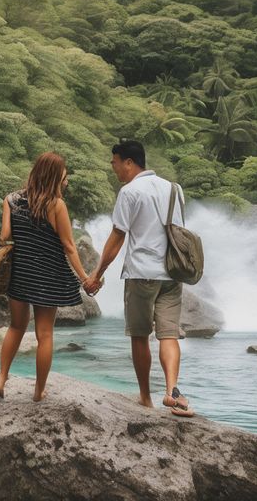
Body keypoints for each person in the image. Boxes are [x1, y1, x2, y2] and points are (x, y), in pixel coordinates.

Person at [84, 140, 195, 417]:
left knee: (140, 336)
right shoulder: (174, 189)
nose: (114, 169)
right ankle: (172, 391)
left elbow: (118, 236)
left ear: (129, 163)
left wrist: (97, 274)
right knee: (169, 335)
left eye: (115, 163)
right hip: (172, 272)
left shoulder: (129, 192)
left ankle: (145, 397)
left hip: (141, 273)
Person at [0, 152, 92, 402]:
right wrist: (85, 279)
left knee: (16, 327)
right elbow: (69, 246)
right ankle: (38, 391)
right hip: (48, 276)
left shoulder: (11, 199)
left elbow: (4, 236)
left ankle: (1, 379)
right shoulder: (56, 205)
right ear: (54, 175)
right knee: (44, 334)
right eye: (63, 173)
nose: (66, 177)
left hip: (21, 274)